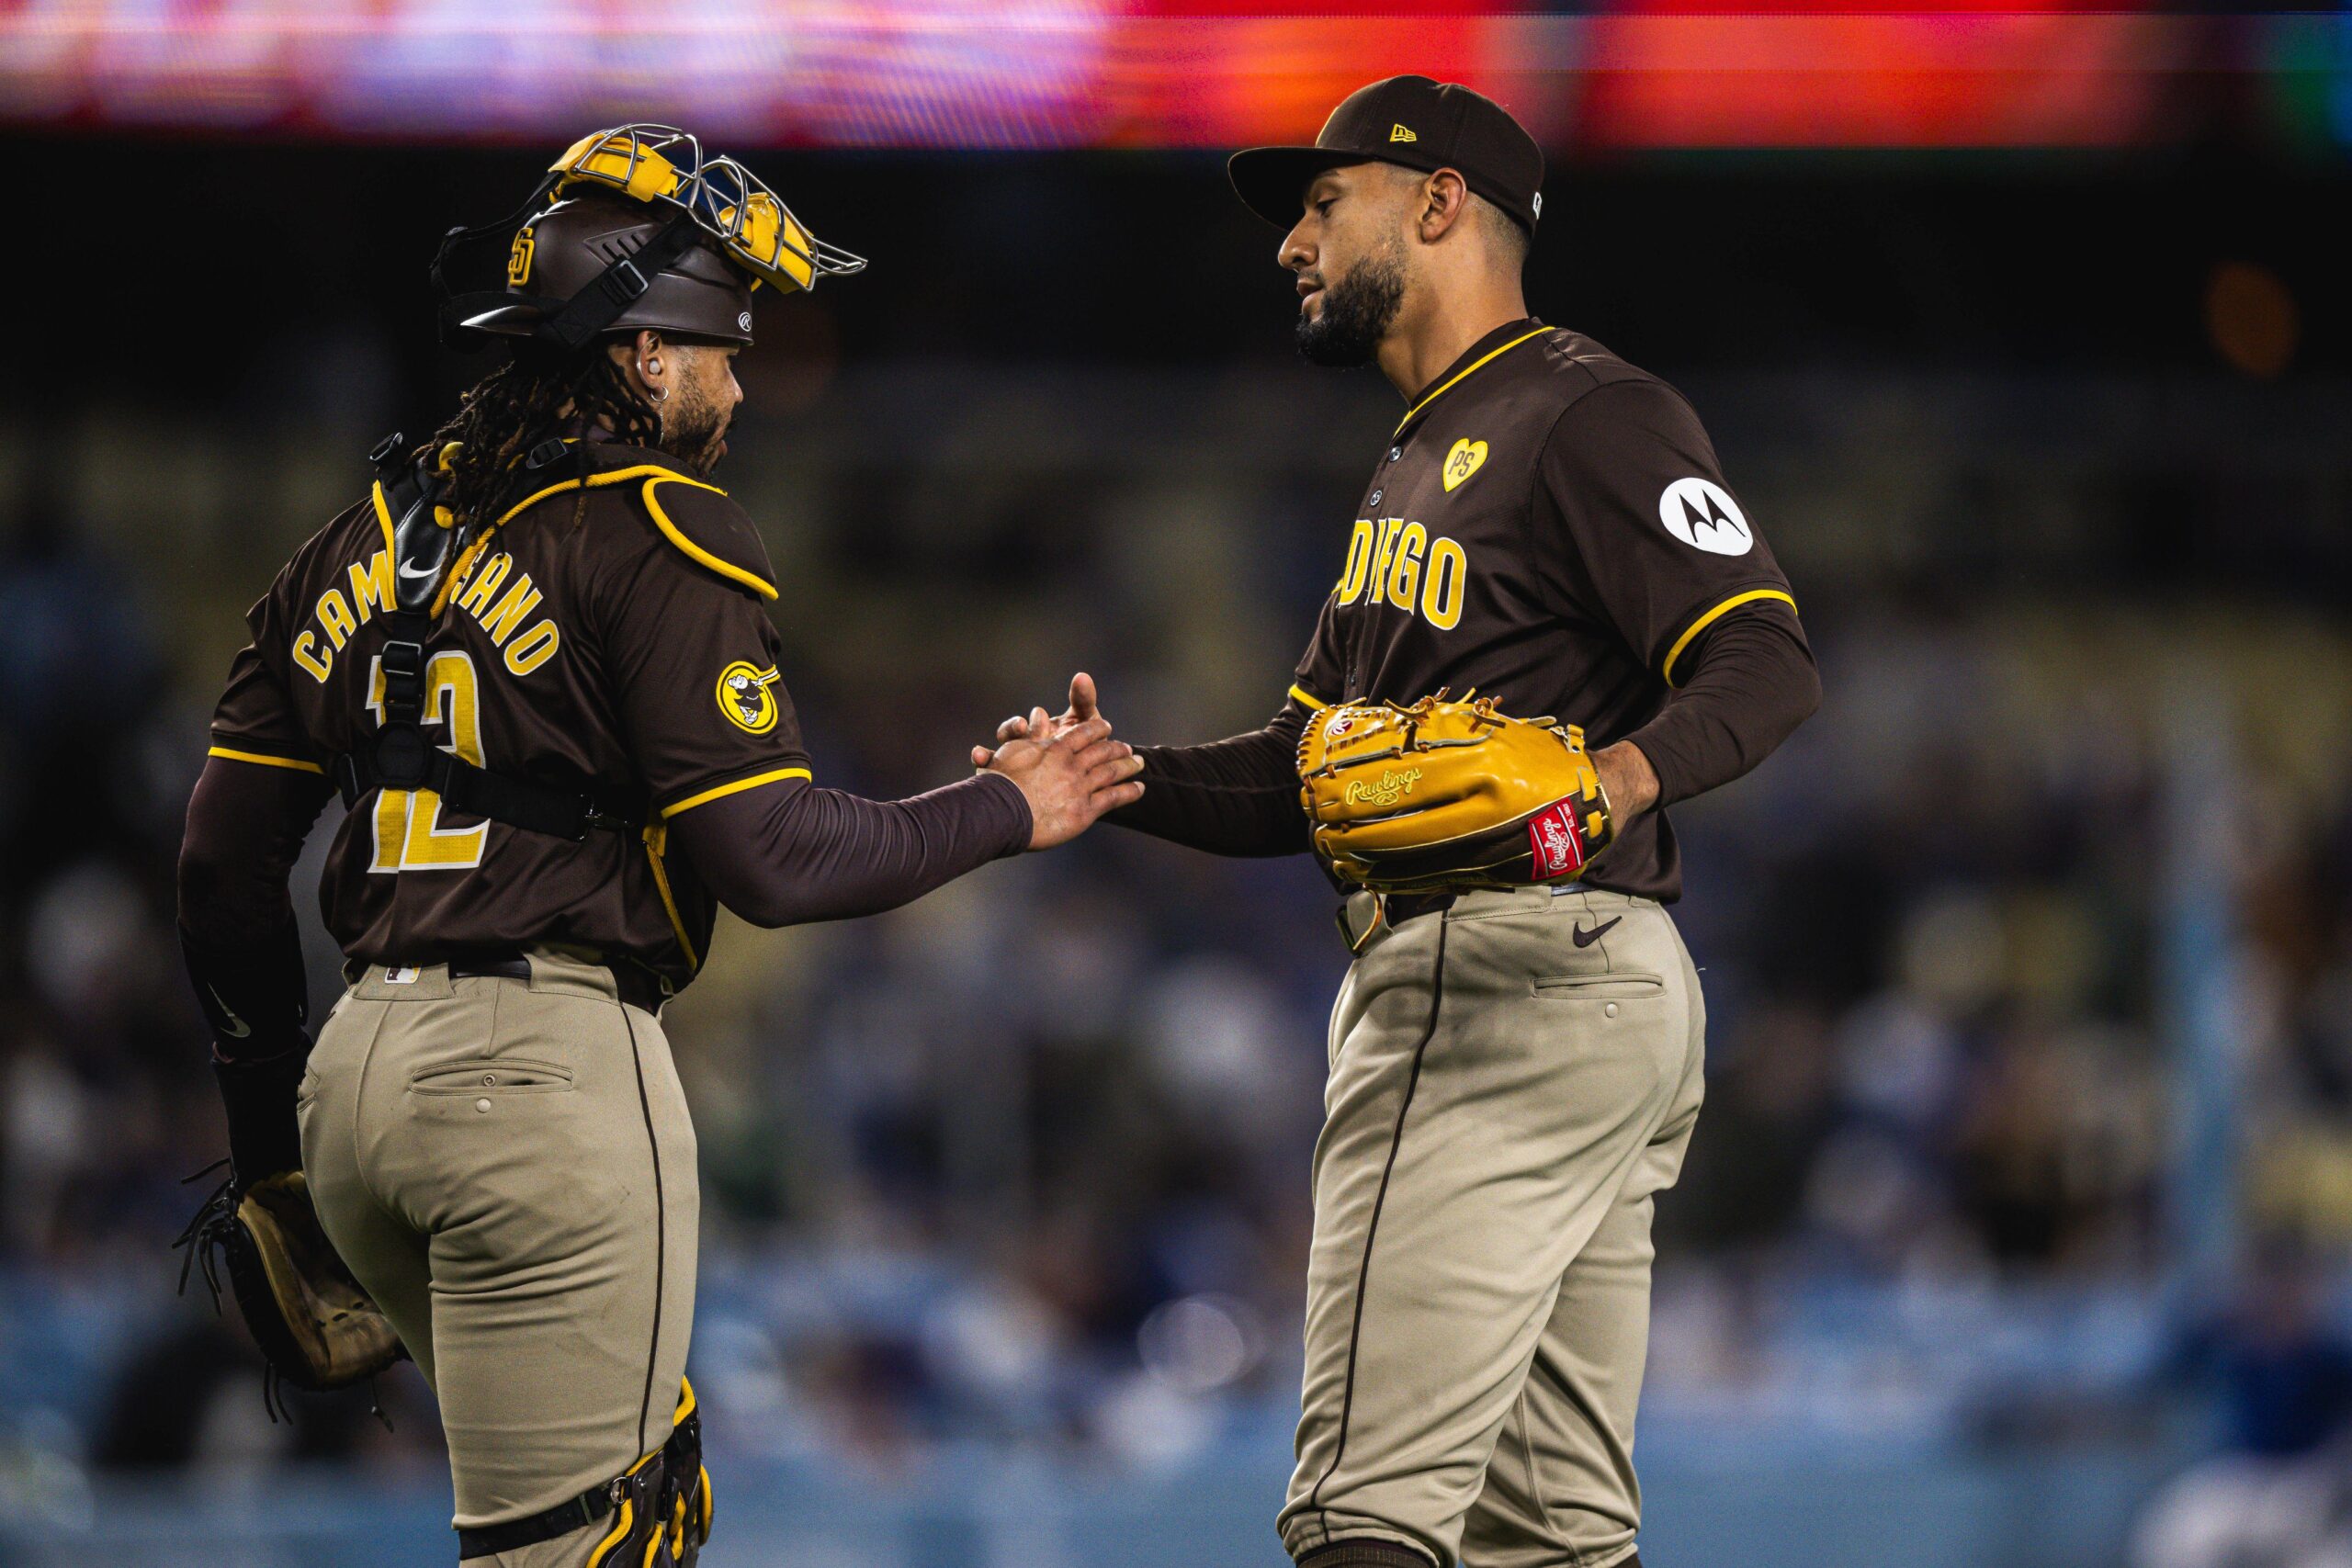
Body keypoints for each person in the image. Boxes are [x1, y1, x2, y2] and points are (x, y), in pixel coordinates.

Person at [175, 124, 1142, 1567]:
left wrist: (267, 1156)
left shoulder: (354, 539)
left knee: (551, 1527)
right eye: (718, 345)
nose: (739, 381)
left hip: (353, 1092)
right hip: (543, 1078)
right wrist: (1012, 807)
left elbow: (218, 865)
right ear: (637, 355)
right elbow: (772, 857)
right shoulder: (659, 527)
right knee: (611, 1542)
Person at [984, 77, 1820, 1568]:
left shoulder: (1585, 410)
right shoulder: (1417, 462)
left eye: (1323, 202)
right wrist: (1114, 778)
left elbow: (1765, 661)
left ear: (1438, 202)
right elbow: (1304, 774)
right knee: (1549, 1535)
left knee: (1362, 1517)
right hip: (1586, 993)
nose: (1290, 245)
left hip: (1496, 977)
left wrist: (1612, 780)